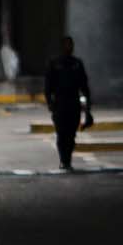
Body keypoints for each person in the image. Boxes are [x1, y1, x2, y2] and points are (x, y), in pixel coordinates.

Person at [43, 36, 93, 169]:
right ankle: (63, 160)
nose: (68, 47)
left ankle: (67, 160)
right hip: (60, 104)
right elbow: (48, 86)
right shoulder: (54, 64)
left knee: (71, 134)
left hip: (74, 104)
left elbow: (84, 87)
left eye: (70, 45)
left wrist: (88, 109)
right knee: (61, 133)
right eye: (66, 45)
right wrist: (50, 103)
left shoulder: (77, 64)